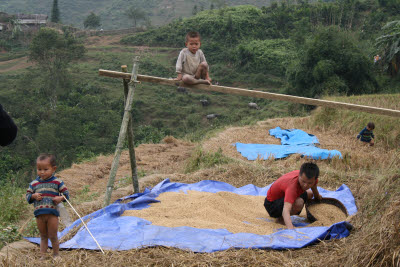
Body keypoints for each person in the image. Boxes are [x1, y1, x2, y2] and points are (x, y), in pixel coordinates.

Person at [26, 154, 70, 260]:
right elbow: (28, 196)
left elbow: (66, 194)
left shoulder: (57, 182)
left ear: (54, 169)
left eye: (45, 169)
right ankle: (43, 256)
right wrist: (33, 196)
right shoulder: (34, 184)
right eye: (39, 169)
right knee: (43, 236)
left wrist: (60, 198)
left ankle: (56, 254)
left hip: (52, 214)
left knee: (53, 235)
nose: (42, 172)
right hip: (39, 215)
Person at [264, 162, 322, 229]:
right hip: (272, 205)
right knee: (299, 203)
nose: (306, 185)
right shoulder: (292, 187)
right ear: (299, 176)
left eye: (309, 183)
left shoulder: (311, 179)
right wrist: (291, 228)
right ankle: (281, 220)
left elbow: (314, 187)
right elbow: (286, 210)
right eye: (303, 181)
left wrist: (317, 196)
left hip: (284, 195)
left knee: (310, 194)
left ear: (315, 180)